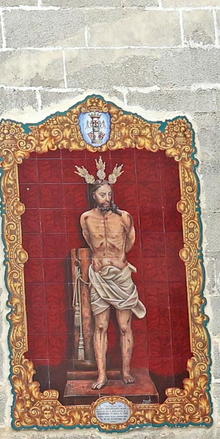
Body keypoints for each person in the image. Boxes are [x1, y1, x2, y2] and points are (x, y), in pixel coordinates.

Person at [75, 158, 142, 390]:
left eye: (109, 194)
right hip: (99, 277)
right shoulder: (86, 218)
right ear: (94, 195)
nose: (107, 199)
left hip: (121, 276)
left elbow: (130, 241)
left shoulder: (123, 217)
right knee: (100, 326)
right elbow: (88, 240)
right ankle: (101, 375)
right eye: (102, 194)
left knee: (124, 327)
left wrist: (117, 260)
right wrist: (102, 262)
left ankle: (125, 372)